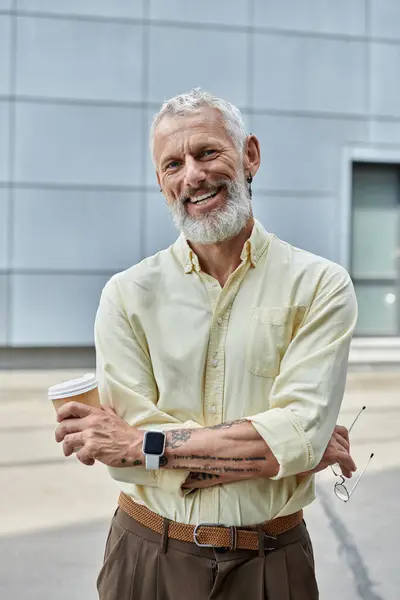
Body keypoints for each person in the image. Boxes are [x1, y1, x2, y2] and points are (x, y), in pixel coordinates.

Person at [55, 88, 358, 600]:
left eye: (207, 152)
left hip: (270, 562)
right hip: (147, 554)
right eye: (172, 164)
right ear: (161, 182)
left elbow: (131, 447)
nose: (192, 175)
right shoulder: (127, 295)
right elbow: (120, 461)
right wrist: (281, 448)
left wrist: (144, 444)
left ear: (250, 156)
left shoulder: (320, 285)